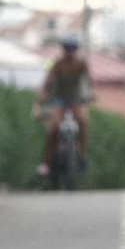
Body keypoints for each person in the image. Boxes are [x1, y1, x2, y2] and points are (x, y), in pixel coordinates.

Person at [35, 36, 91, 176]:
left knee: (83, 121)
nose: (70, 51)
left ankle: (80, 154)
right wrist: (43, 95)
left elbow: (90, 81)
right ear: (63, 49)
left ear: (77, 50)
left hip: (76, 100)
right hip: (59, 100)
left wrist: (92, 94)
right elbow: (48, 82)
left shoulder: (82, 64)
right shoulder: (58, 64)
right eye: (67, 48)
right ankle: (47, 164)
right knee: (53, 128)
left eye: (73, 48)